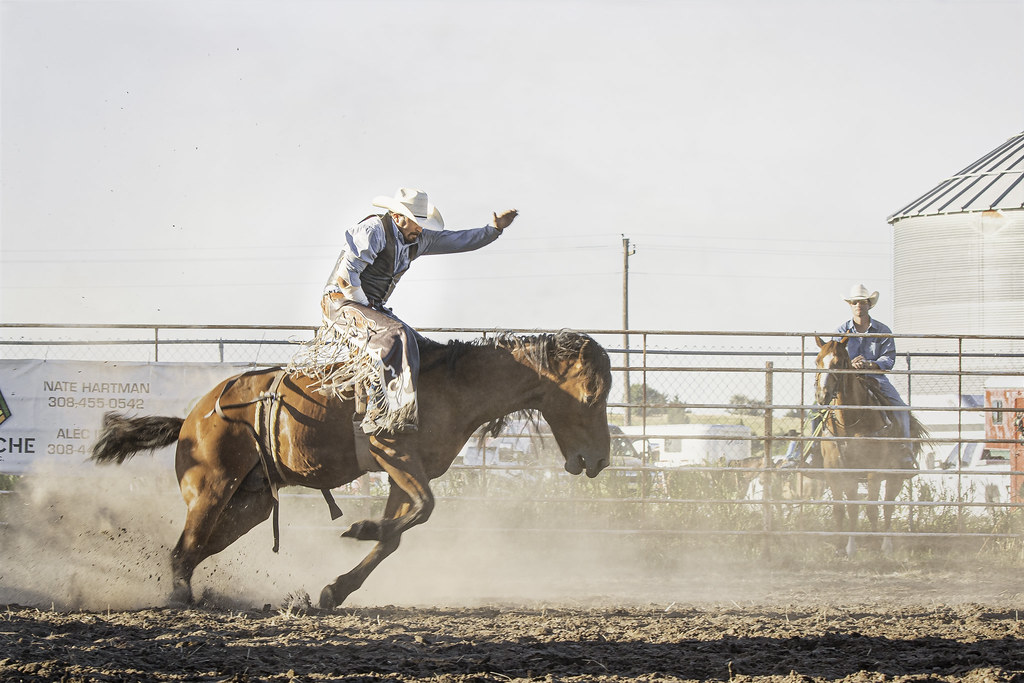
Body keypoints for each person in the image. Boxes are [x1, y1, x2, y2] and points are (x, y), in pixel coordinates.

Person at [296, 187, 517, 434]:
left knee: (418, 344)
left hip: (371, 307)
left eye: (422, 223)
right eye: (415, 222)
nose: (419, 228)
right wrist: (367, 308)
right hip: (340, 303)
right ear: (397, 216)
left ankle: (414, 409)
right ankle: (380, 411)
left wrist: (493, 230)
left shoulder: (419, 239)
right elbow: (346, 277)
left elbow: (458, 240)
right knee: (395, 335)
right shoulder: (373, 231)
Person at [787, 284, 915, 469]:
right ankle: (815, 452)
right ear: (850, 305)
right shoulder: (840, 331)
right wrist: (851, 363)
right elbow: (833, 355)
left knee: (900, 408)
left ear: (869, 305)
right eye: (855, 302)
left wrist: (869, 364)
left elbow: (888, 359)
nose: (858, 306)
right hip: (846, 379)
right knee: (816, 409)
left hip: (875, 376)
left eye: (862, 302)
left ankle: (905, 452)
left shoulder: (882, 330)